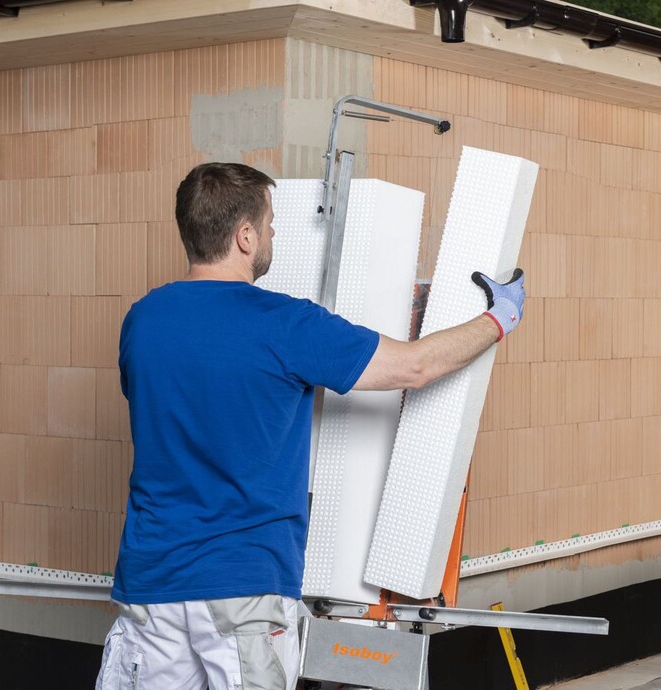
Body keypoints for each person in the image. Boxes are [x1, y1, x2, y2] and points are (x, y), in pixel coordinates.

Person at [96, 162, 525, 690]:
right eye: (270, 222)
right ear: (245, 235)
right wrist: (497, 320)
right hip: (242, 588)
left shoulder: (142, 320)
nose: (274, 233)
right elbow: (414, 366)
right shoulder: (285, 324)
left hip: (150, 584)